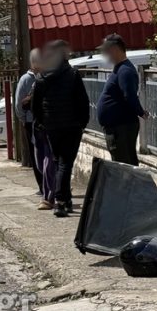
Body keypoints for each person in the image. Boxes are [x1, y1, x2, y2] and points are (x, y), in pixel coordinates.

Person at [31, 40, 90, 218]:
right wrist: (82, 123)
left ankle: (66, 199)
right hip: (71, 126)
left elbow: (35, 105)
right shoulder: (72, 74)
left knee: (58, 162)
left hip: (52, 126)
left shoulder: (42, 76)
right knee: (65, 163)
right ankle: (60, 201)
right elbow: (83, 102)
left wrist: (42, 122)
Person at [96, 33, 147, 166]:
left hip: (122, 128)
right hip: (117, 127)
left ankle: (130, 186)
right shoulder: (119, 69)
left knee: (124, 164)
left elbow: (130, 95)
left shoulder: (125, 71)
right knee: (124, 162)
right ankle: (129, 186)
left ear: (114, 49)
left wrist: (140, 111)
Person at [16, 48, 57, 209]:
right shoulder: (26, 80)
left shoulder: (47, 78)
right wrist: (23, 119)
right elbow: (19, 103)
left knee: (48, 157)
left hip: (46, 123)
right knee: (38, 157)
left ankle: (48, 187)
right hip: (31, 122)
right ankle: (43, 187)